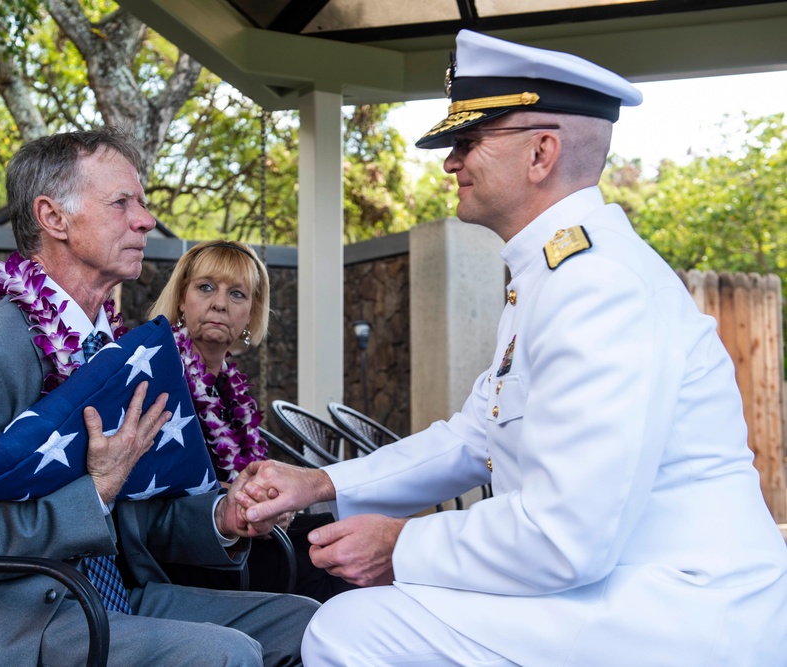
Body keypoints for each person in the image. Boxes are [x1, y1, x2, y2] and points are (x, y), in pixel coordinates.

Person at [235, 30, 787, 666]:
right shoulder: (555, 278)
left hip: (683, 610)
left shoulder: (598, 289)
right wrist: (318, 481)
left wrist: (401, 546)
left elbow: (566, 538)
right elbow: (472, 439)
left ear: (541, 153)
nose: (450, 163)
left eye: (467, 142)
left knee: (352, 628)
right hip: (627, 588)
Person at [0, 128, 318, 667]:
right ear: (53, 218)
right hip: (2, 622)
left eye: (144, 204)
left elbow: (137, 520)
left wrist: (226, 515)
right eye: (122, 203)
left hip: (109, 600)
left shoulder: (112, 352)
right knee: (227, 654)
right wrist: (97, 487)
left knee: (311, 624)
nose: (146, 220)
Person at [148, 239, 357, 602]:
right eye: (206, 287)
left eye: (238, 294)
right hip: (187, 553)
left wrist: (272, 504)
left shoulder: (228, 388)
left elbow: (240, 474)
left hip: (242, 539)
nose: (219, 304)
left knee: (341, 537)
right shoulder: (158, 375)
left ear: (251, 312)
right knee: (329, 553)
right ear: (182, 298)